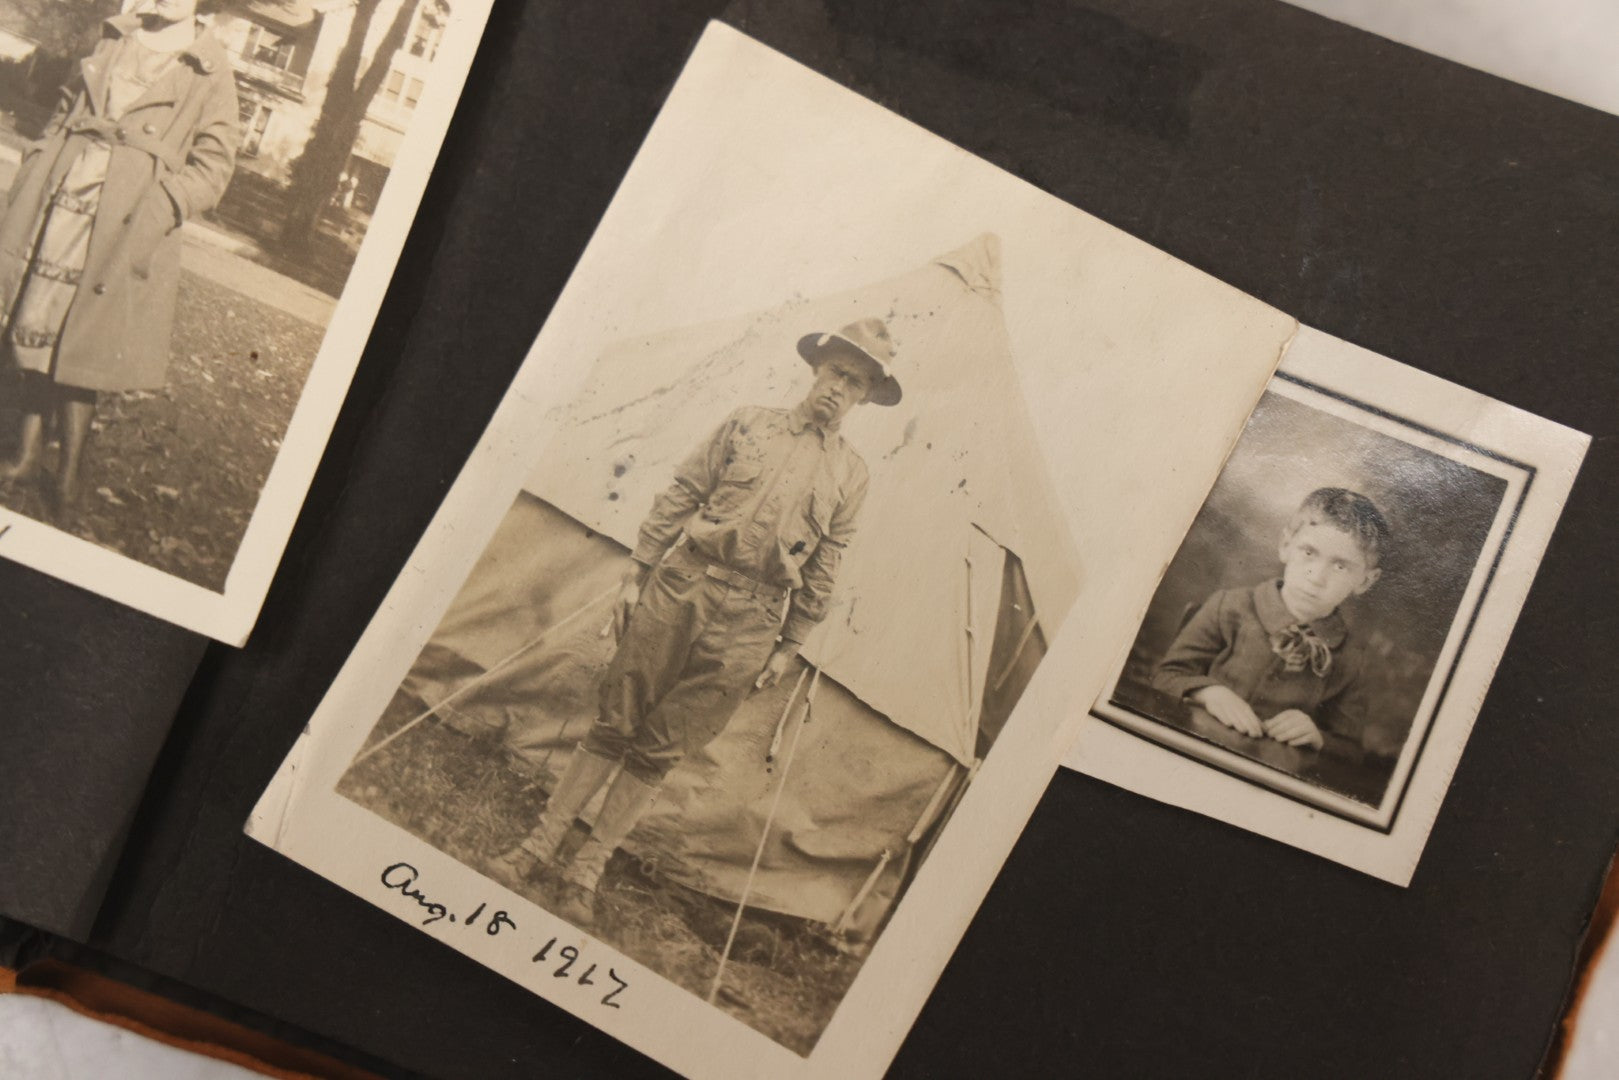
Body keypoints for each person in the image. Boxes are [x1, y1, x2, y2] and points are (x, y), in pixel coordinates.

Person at [491, 317, 903, 925]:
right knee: (617, 719)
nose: (841, 388)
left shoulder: (852, 474)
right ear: (817, 368)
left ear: (866, 396)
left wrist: (791, 643)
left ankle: (588, 868)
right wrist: (638, 571)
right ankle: (538, 845)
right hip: (683, 584)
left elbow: (826, 562)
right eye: (838, 371)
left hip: (754, 620)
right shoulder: (747, 423)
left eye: (857, 383)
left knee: (661, 748)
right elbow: (683, 492)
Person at [0, 1, 239, 514]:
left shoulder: (209, 67)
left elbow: (215, 167)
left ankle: (69, 475)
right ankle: (25, 454)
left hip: (125, 218)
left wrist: (158, 207)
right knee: (39, 325)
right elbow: (67, 106)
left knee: (86, 343)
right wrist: (40, 157)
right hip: (63, 194)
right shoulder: (116, 36)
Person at [1152, 487, 1391, 752]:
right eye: (1309, 552)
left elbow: (1350, 750)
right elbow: (1166, 676)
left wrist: (1319, 737)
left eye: (1339, 566)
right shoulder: (1229, 607)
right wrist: (1207, 693)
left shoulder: (1353, 659)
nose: (1316, 577)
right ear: (1286, 546)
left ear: (1366, 581)